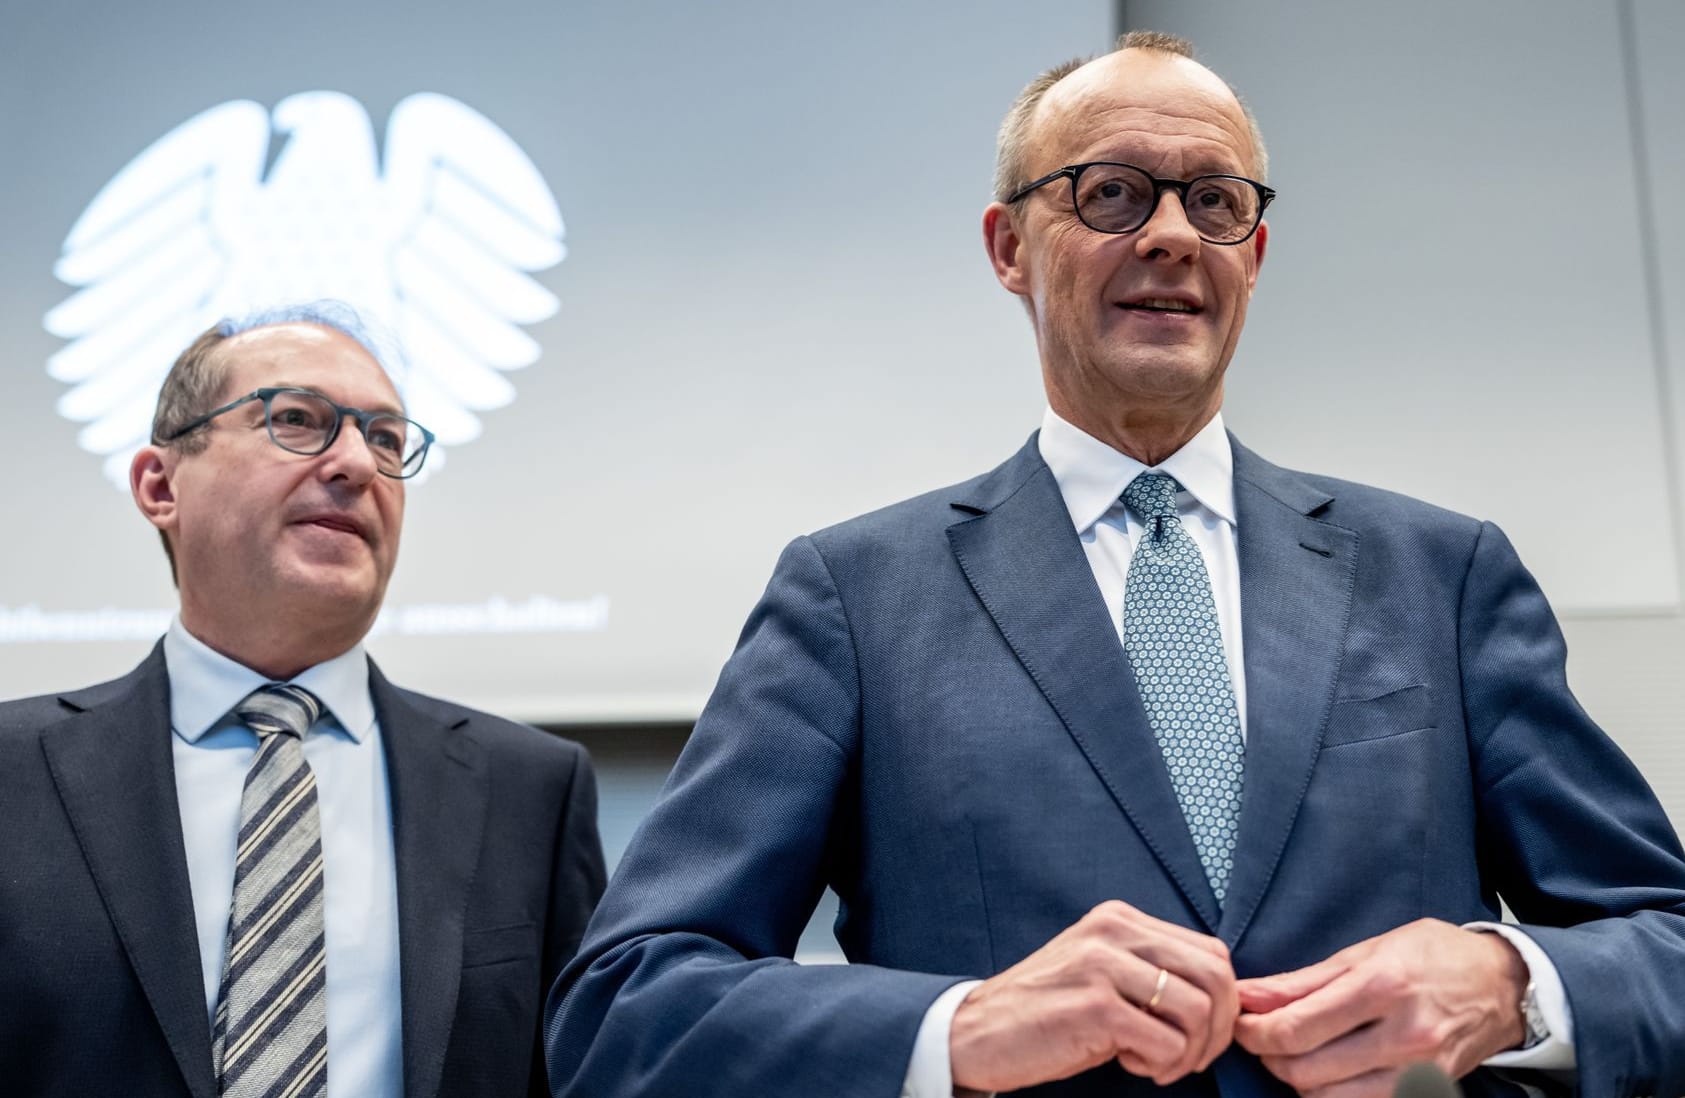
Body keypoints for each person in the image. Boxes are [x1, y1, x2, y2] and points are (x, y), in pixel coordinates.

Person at [543, 31, 1685, 1098]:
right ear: (1006, 248)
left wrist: (1507, 983)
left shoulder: (1440, 576)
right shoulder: (854, 598)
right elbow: (623, 1008)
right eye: (1111, 193)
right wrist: (962, 1029)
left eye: (1214, 200)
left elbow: (1661, 942)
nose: (1173, 235)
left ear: (1255, 252)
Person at [0, 303, 606, 1098]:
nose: (356, 462)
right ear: (160, 485)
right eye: (297, 419)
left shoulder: (531, 789)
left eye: (386, 438)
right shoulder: (14, 775)